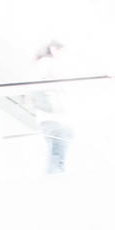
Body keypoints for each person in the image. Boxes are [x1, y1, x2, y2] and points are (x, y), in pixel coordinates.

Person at [30, 41, 72, 174]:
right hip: (54, 117)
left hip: (48, 118)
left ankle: (54, 182)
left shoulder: (42, 63)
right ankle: (55, 185)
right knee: (57, 158)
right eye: (62, 52)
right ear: (54, 49)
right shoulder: (47, 63)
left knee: (56, 156)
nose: (64, 56)